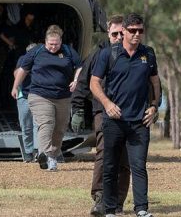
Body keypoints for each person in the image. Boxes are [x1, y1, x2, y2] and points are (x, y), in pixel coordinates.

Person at [90, 13, 160, 217]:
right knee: (110, 166)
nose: (137, 34)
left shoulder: (148, 54)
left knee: (138, 166)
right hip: (114, 120)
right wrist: (107, 103)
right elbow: (94, 82)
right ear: (124, 32)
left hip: (139, 121)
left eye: (140, 31)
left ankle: (142, 209)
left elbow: (155, 82)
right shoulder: (108, 54)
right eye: (133, 31)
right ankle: (110, 209)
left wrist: (154, 106)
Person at [71, 14, 131, 216]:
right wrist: (77, 109)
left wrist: (153, 105)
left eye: (121, 34)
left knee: (125, 158)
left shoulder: (136, 55)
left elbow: (149, 81)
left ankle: (118, 202)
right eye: (114, 34)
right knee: (105, 151)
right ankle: (99, 197)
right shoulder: (99, 54)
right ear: (108, 33)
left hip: (130, 113)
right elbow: (83, 82)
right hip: (102, 110)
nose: (118, 37)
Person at [11, 24, 81, 171]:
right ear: (45, 41)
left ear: (61, 42)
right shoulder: (36, 51)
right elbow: (23, 69)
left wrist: (76, 80)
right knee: (46, 123)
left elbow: (79, 66)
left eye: (56, 44)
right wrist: (15, 86)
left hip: (62, 96)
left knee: (59, 128)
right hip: (39, 94)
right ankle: (46, 154)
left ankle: (51, 155)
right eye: (50, 44)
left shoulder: (68, 51)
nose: (53, 47)